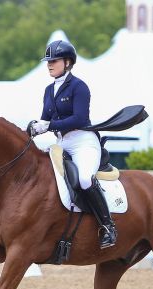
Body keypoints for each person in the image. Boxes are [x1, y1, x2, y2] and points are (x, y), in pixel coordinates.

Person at [27, 40, 117, 249]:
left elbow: (79, 118)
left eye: (54, 61)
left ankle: (108, 227)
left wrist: (48, 125)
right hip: (61, 143)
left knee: (85, 179)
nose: (49, 64)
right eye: (48, 61)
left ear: (67, 62)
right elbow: (45, 119)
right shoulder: (49, 90)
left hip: (83, 141)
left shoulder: (79, 86)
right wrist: (34, 128)